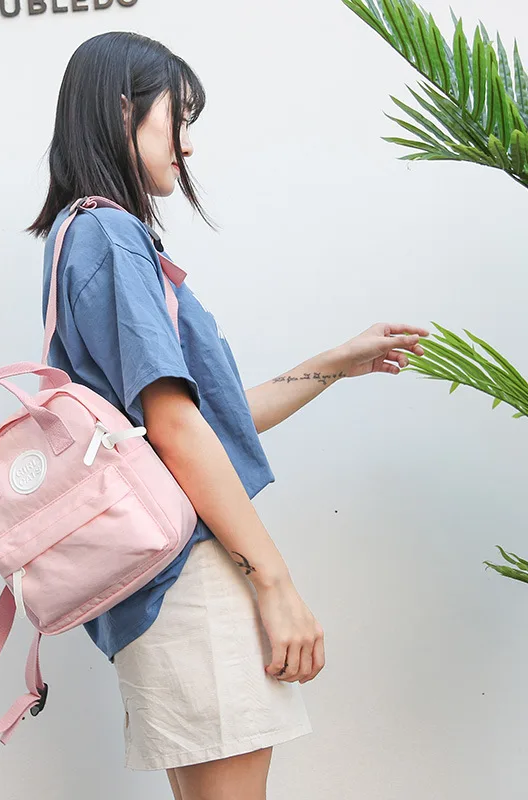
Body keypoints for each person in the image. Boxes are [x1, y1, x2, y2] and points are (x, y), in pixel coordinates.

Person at [26, 31, 428, 800]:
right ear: (124, 111)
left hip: (159, 587)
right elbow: (178, 431)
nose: (188, 144)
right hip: (192, 578)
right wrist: (275, 583)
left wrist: (336, 361)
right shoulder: (110, 234)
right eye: (178, 118)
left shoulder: (77, 236)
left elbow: (203, 422)